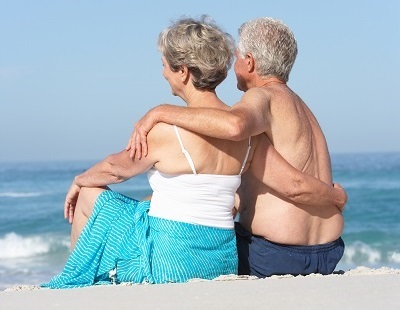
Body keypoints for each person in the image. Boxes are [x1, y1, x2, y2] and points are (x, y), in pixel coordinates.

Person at [127, 17, 346, 277]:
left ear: (250, 62)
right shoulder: (301, 108)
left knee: (195, 251)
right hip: (328, 251)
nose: (233, 65)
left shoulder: (262, 97)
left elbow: (234, 126)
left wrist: (160, 111)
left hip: (276, 256)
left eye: (238, 57)